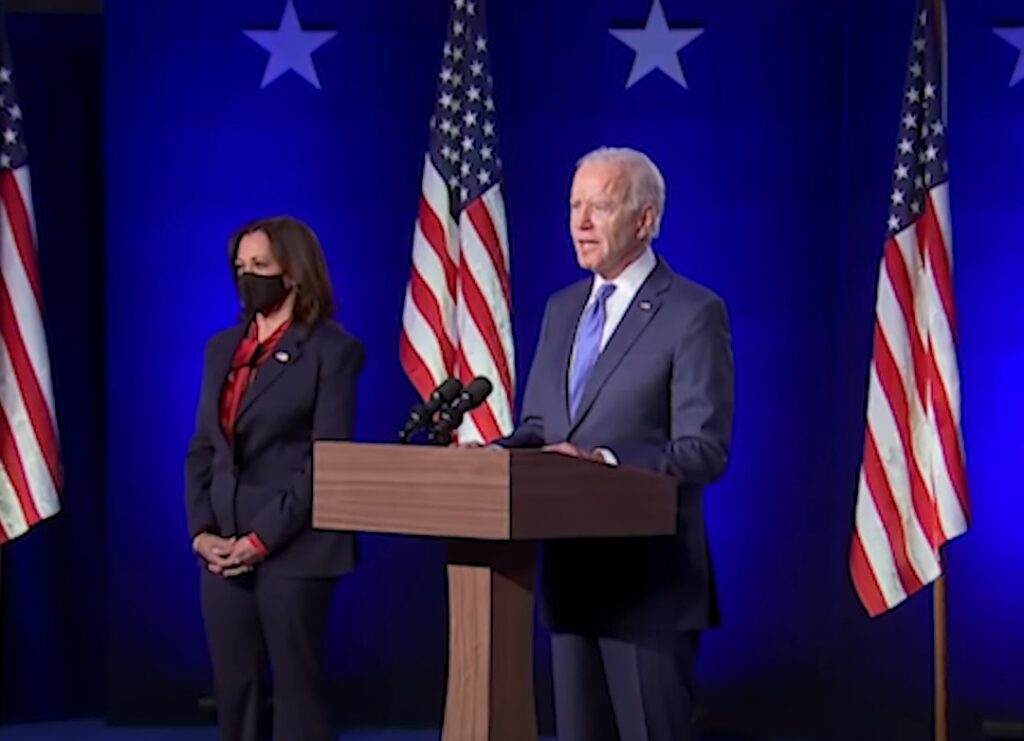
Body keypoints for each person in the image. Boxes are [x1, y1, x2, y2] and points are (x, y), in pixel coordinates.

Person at [499, 147, 735, 741]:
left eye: (599, 207)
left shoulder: (693, 312)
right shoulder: (561, 310)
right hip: (571, 585)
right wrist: (496, 455)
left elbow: (703, 450)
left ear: (644, 219)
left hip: (648, 590)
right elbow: (541, 429)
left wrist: (601, 464)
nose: (580, 223)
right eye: (574, 205)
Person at [184, 215, 365, 741]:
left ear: (293, 272)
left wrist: (261, 539)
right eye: (240, 266)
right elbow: (203, 448)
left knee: (297, 695)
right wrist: (202, 532)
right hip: (223, 546)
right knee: (234, 692)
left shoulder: (333, 351)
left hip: (295, 546)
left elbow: (326, 460)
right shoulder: (222, 349)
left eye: (260, 265)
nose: (247, 276)